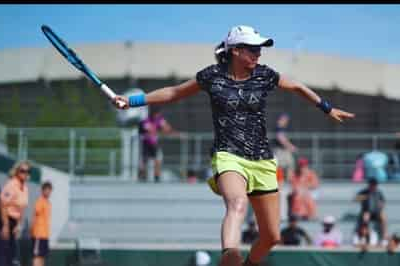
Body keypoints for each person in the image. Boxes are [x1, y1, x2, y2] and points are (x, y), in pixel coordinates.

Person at [113, 25, 354, 266]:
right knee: (237, 203)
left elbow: (298, 87)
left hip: (262, 160)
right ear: (236, 50)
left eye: (259, 49)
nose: (258, 54)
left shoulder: (265, 74)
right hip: (228, 155)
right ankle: (230, 254)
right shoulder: (212, 75)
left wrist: (327, 108)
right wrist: (133, 101)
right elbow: (174, 92)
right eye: (253, 49)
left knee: (271, 237)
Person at [0, 161, 30, 266]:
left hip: (12, 220)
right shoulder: (12, 184)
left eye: (28, 171)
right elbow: (2, 204)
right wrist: (5, 226)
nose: (25, 173)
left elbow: (21, 208)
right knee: (1, 253)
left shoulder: (25, 188)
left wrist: (18, 225)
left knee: (11, 256)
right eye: (22, 171)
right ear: (16, 172)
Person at [138, 106, 180, 182]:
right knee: (144, 161)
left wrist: (168, 131)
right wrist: (160, 131)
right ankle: (143, 176)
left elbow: (167, 128)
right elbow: (151, 131)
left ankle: (156, 177)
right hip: (146, 144)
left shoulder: (159, 120)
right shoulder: (145, 121)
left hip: (154, 144)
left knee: (157, 160)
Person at [354, 178, 388, 242]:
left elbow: (383, 201)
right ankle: (364, 236)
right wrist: (364, 197)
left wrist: (381, 205)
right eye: (372, 185)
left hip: (376, 212)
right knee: (366, 217)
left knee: (383, 217)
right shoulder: (364, 192)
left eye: (374, 185)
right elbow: (356, 199)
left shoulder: (379, 193)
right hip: (367, 211)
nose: (373, 186)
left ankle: (384, 236)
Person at [31, 181, 53, 266]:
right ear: (42, 190)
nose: (48, 192)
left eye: (50, 190)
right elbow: (36, 213)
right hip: (38, 234)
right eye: (46, 190)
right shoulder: (40, 201)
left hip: (45, 235)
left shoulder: (48, 203)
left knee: (42, 257)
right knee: (37, 256)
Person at [272, 113, 298, 181]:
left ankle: (289, 182)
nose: (286, 121)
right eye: (285, 119)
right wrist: (290, 147)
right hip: (280, 151)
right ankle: (281, 183)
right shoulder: (279, 128)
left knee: (290, 165)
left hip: (284, 151)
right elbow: (281, 138)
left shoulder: (282, 128)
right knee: (280, 167)